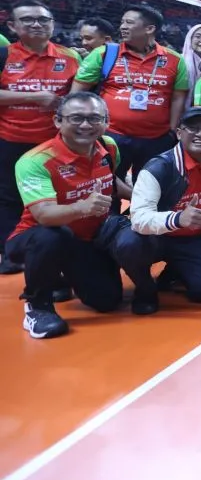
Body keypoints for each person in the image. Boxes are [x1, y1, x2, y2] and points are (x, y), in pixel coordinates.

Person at [9, 93, 131, 339]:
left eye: (94, 118)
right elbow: (44, 216)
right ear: (58, 121)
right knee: (53, 236)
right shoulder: (35, 161)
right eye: (76, 118)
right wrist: (83, 206)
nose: (85, 125)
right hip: (36, 237)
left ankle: (62, 275)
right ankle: (38, 306)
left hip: (85, 241)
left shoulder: (108, 146)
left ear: (106, 122)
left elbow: (112, 181)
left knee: (107, 301)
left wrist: (145, 198)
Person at [113, 107, 201, 313]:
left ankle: (175, 270)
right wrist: (177, 219)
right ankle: (145, 289)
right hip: (155, 237)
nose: (200, 134)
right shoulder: (158, 167)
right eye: (192, 128)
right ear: (179, 133)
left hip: (194, 238)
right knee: (129, 243)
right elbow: (139, 218)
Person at [0, 0, 81, 274]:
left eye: (43, 19)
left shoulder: (71, 57)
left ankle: (61, 252)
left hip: (56, 143)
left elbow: (80, 94)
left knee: (60, 196)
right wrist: (34, 97)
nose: (37, 24)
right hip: (11, 139)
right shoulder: (4, 55)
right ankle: (12, 252)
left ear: (53, 24)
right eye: (28, 19)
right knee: (10, 198)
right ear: (12, 26)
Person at [71, 4, 190, 179]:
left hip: (156, 139)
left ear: (149, 29)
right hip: (111, 135)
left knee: (151, 186)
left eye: (129, 22)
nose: (122, 27)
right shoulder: (104, 54)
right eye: (122, 22)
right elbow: (77, 93)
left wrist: (171, 132)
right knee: (107, 184)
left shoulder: (175, 59)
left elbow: (178, 99)